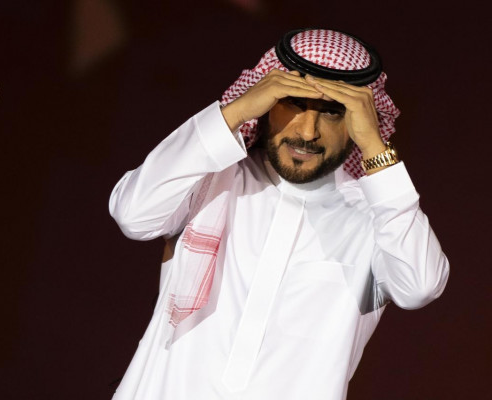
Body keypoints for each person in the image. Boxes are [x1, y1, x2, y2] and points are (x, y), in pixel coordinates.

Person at [108, 28, 449, 400]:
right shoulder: (210, 181)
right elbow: (134, 214)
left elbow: (419, 286)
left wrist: (374, 148)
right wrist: (236, 111)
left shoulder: (376, 218)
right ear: (266, 103)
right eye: (293, 103)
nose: (307, 132)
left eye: (332, 112)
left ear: (357, 122)